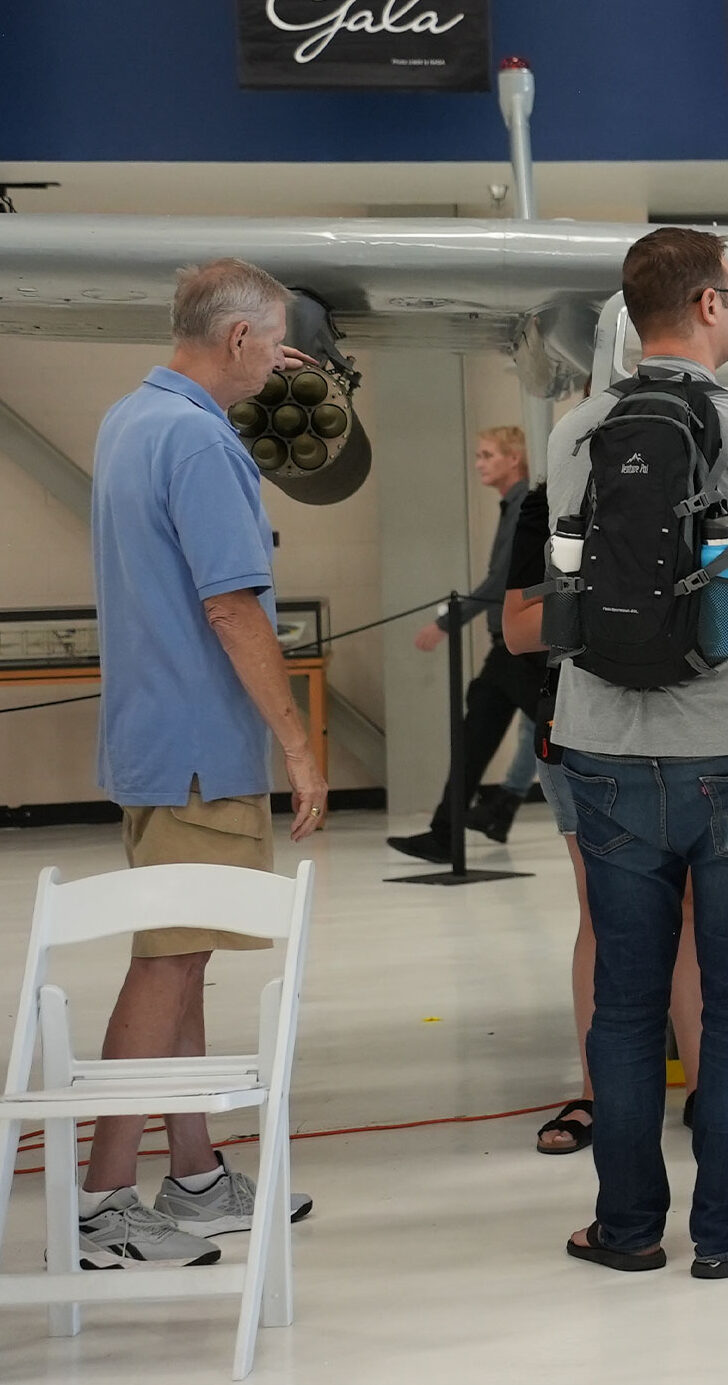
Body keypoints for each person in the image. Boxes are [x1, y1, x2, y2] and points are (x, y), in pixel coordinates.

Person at [546, 227, 728, 1277]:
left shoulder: (573, 431)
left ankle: (624, 1228)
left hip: (605, 749)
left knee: (625, 1004)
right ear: (709, 306)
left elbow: (569, 579)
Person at [82, 258, 319, 1268]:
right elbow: (232, 605)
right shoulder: (200, 442)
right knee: (167, 963)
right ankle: (99, 1202)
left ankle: (191, 1176)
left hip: (148, 740)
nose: (278, 361)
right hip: (200, 753)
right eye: (271, 342)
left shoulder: (130, 419)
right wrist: (301, 744)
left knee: (185, 963)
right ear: (234, 341)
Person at [499, 483, 705, 1156]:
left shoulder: (700, 487)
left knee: (691, 908)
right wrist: (612, 599)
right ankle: (597, 1092)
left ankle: (707, 1086)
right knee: (605, 908)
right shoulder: (547, 501)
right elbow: (517, 628)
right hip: (582, 727)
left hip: (688, 723)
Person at [386, 426, 543, 862]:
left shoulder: (525, 504)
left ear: (514, 460)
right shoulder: (513, 505)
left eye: (488, 455)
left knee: (547, 730)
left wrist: (448, 622)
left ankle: (454, 828)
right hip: (510, 645)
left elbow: (502, 580)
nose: (479, 463)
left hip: (519, 647)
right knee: (477, 732)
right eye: (478, 455)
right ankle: (447, 831)